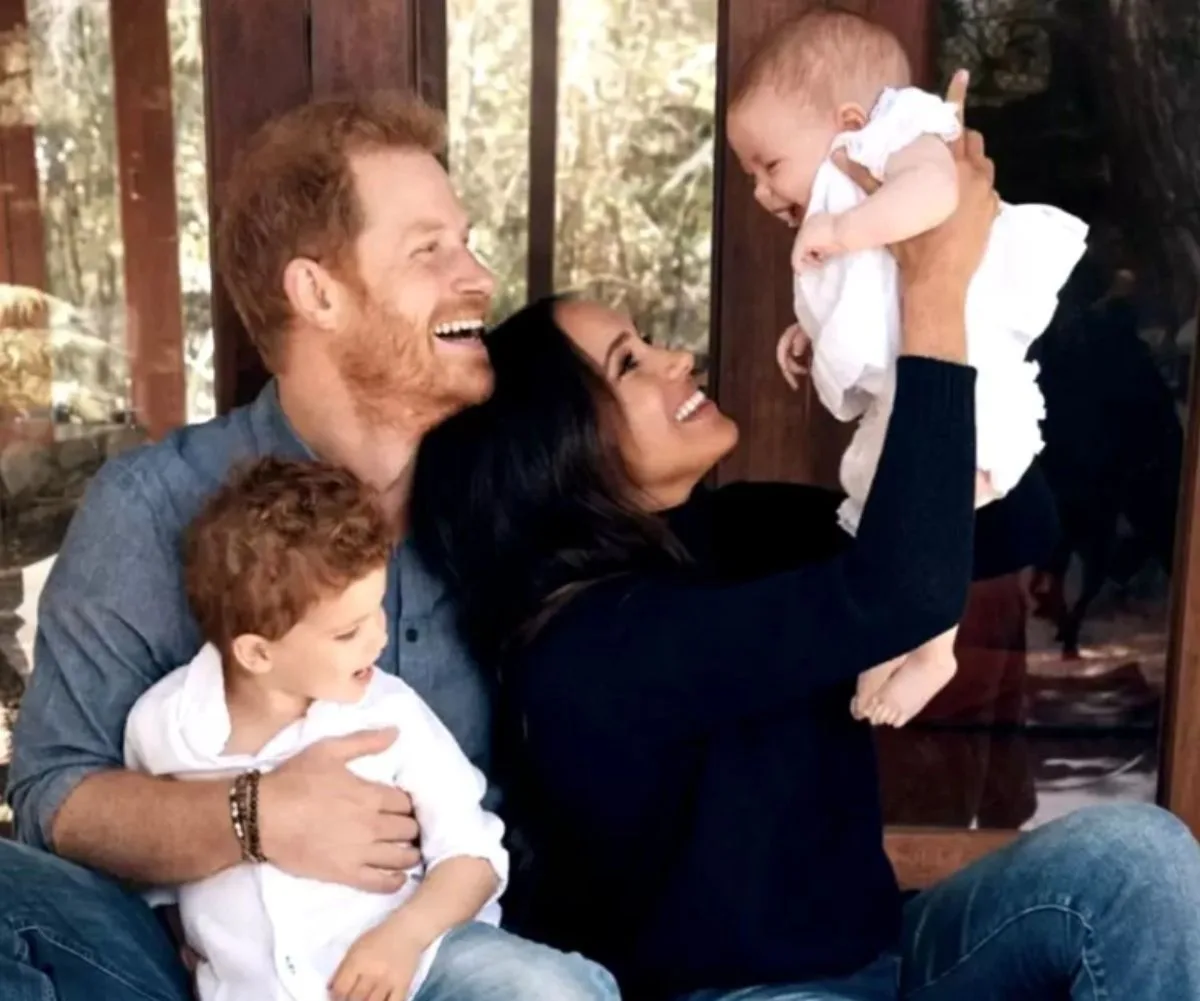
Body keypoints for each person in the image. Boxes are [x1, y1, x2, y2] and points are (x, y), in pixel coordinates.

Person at [409, 111, 1200, 1001]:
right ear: (554, 449)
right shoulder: (585, 648)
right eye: (631, 362)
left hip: (891, 952)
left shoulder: (740, 527)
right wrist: (928, 299)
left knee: (1139, 860)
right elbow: (898, 591)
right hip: (743, 996)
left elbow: (1010, 526)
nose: (678, 359)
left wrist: (938, 294)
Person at [1, 93, 617, 1001]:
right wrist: (255, 816)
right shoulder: (153, 505)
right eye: (429, 250)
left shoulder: (501, 502)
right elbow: (55, 799)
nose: (479, 275)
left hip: (440, 963)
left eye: (467, 239)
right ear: (316, 292)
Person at [123, 457, 610, 1001]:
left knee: (547, 988)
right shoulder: (165, 726)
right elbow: (153, 875)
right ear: (258, 652)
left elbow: (473, 856)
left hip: (423, 972)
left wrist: (400, 943)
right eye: (348, 631)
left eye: (378, 609)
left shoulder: (389, 713)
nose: (378, 640)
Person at [725, 8, 1088, 727]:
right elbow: (877, 291)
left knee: (934, 502)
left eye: (770, 165)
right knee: (882, 500)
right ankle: (897, 635)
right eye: (750, 177)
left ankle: (933, 649)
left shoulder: (902, 135)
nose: (764, 193)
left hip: (972, 371)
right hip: (920, 374)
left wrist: (843, 228)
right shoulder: (850, 190)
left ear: (850, 119)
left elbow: (936, 197)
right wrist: (809, 328)